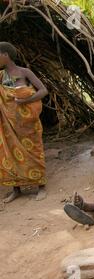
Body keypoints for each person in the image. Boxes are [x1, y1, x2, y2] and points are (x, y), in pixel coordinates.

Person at [0, 42, 49, 202]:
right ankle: (16, 189)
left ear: (5, 55)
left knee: (34, 151)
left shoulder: (24, 72)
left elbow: (43, 90)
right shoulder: (0, 76)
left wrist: (25, 100)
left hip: (28, 124)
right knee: (10, 153)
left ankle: (40, 186)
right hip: (8, 124)